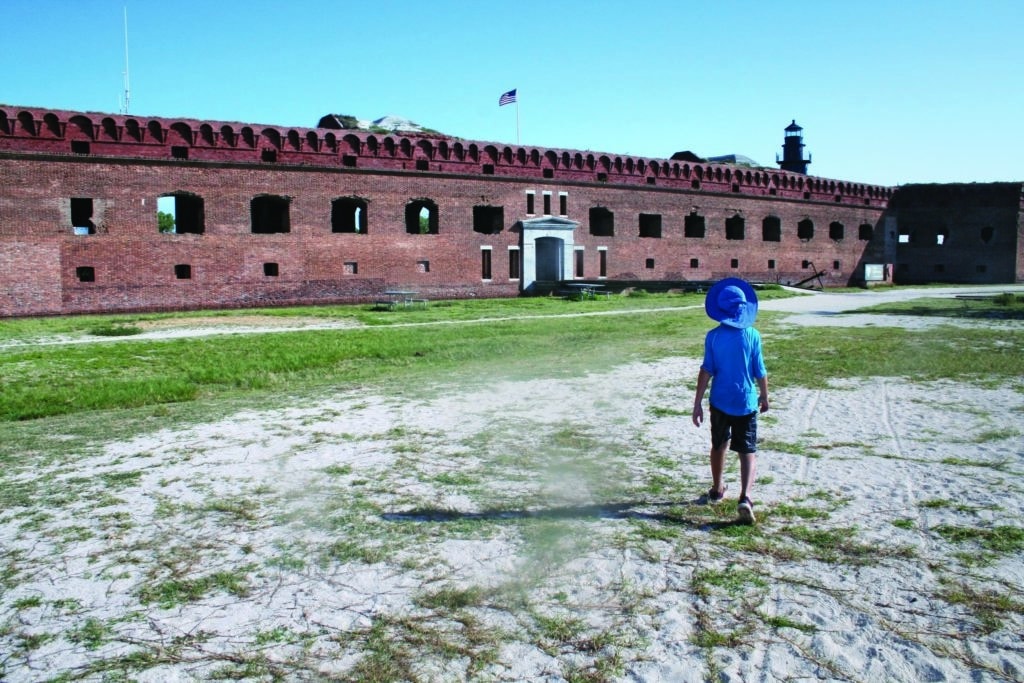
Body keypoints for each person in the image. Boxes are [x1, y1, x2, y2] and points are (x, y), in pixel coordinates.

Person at [691, 278, 769, 524]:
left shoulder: (713, 337)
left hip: (720, 400)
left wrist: (697, 403)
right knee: (748, 450)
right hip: (746, 400)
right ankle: (745, 497)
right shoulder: (752, 335)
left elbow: (707, 370)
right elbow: (760, 369)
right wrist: (764, 395)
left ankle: (716, 489)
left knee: (719, 445)